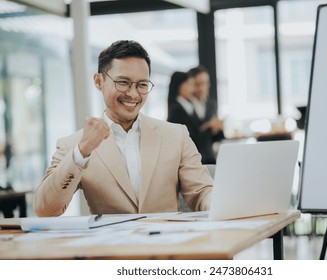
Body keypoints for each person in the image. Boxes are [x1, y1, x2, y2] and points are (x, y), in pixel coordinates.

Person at [34, 40, 212, 217]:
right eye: (123, 82)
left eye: (142, 85)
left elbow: (202, 192)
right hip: (111, 244)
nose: (133, 94)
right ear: (98, 81)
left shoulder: (176, 135)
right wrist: (81, 152)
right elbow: (45, 209)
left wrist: (225, 204)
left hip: (167, 243)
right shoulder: (73, 145)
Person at [188, 65, 225, 164]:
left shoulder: (211, 104)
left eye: (205, 83)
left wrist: (218, 129)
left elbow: (214, 139)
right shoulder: (185, 106)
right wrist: (208, 126)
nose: (202, 88)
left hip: (210, 158)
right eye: (197, 84)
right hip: (192, 160)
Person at [167, 71, 201, 148]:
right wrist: (209, 127)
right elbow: (191, 139)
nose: (193, 89)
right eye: (190, 84)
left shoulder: (189, 106)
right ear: (179, 85)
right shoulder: (176, 110)